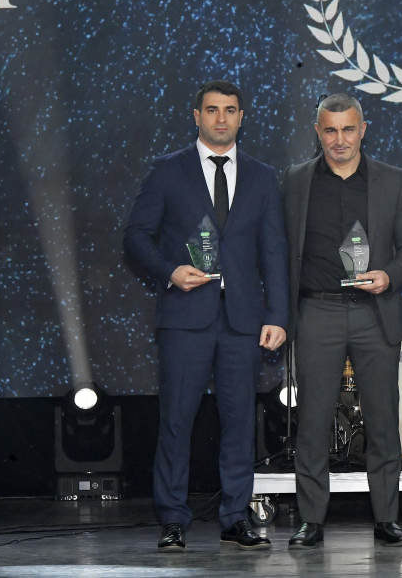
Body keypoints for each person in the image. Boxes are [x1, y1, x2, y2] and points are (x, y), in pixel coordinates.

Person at [123, 80, 288, 552]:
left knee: (239, 422)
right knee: (177, 421)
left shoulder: (261, 176)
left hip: (242, 321)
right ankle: (173, 519)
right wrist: (170, 270)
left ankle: (235, 518)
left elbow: (274, 251)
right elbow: (136, 236)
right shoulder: (167, 170)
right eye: (212, 110)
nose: (221, 118)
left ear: (241, 117)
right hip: (184, 319)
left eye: (230, 110)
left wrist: (277, 315)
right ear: (196, 116)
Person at [281, 94, 402, 549]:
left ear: (363, 130)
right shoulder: (294, 181)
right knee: (313, 422)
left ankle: (387, 519)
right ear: (318, 132)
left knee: (383, 421)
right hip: (316, 311)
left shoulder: (393, 180)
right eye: (331, 130)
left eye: (349, 129)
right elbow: (279, 250)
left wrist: (389, 275)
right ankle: (311, 521)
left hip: (375, 312)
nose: (340, 140)